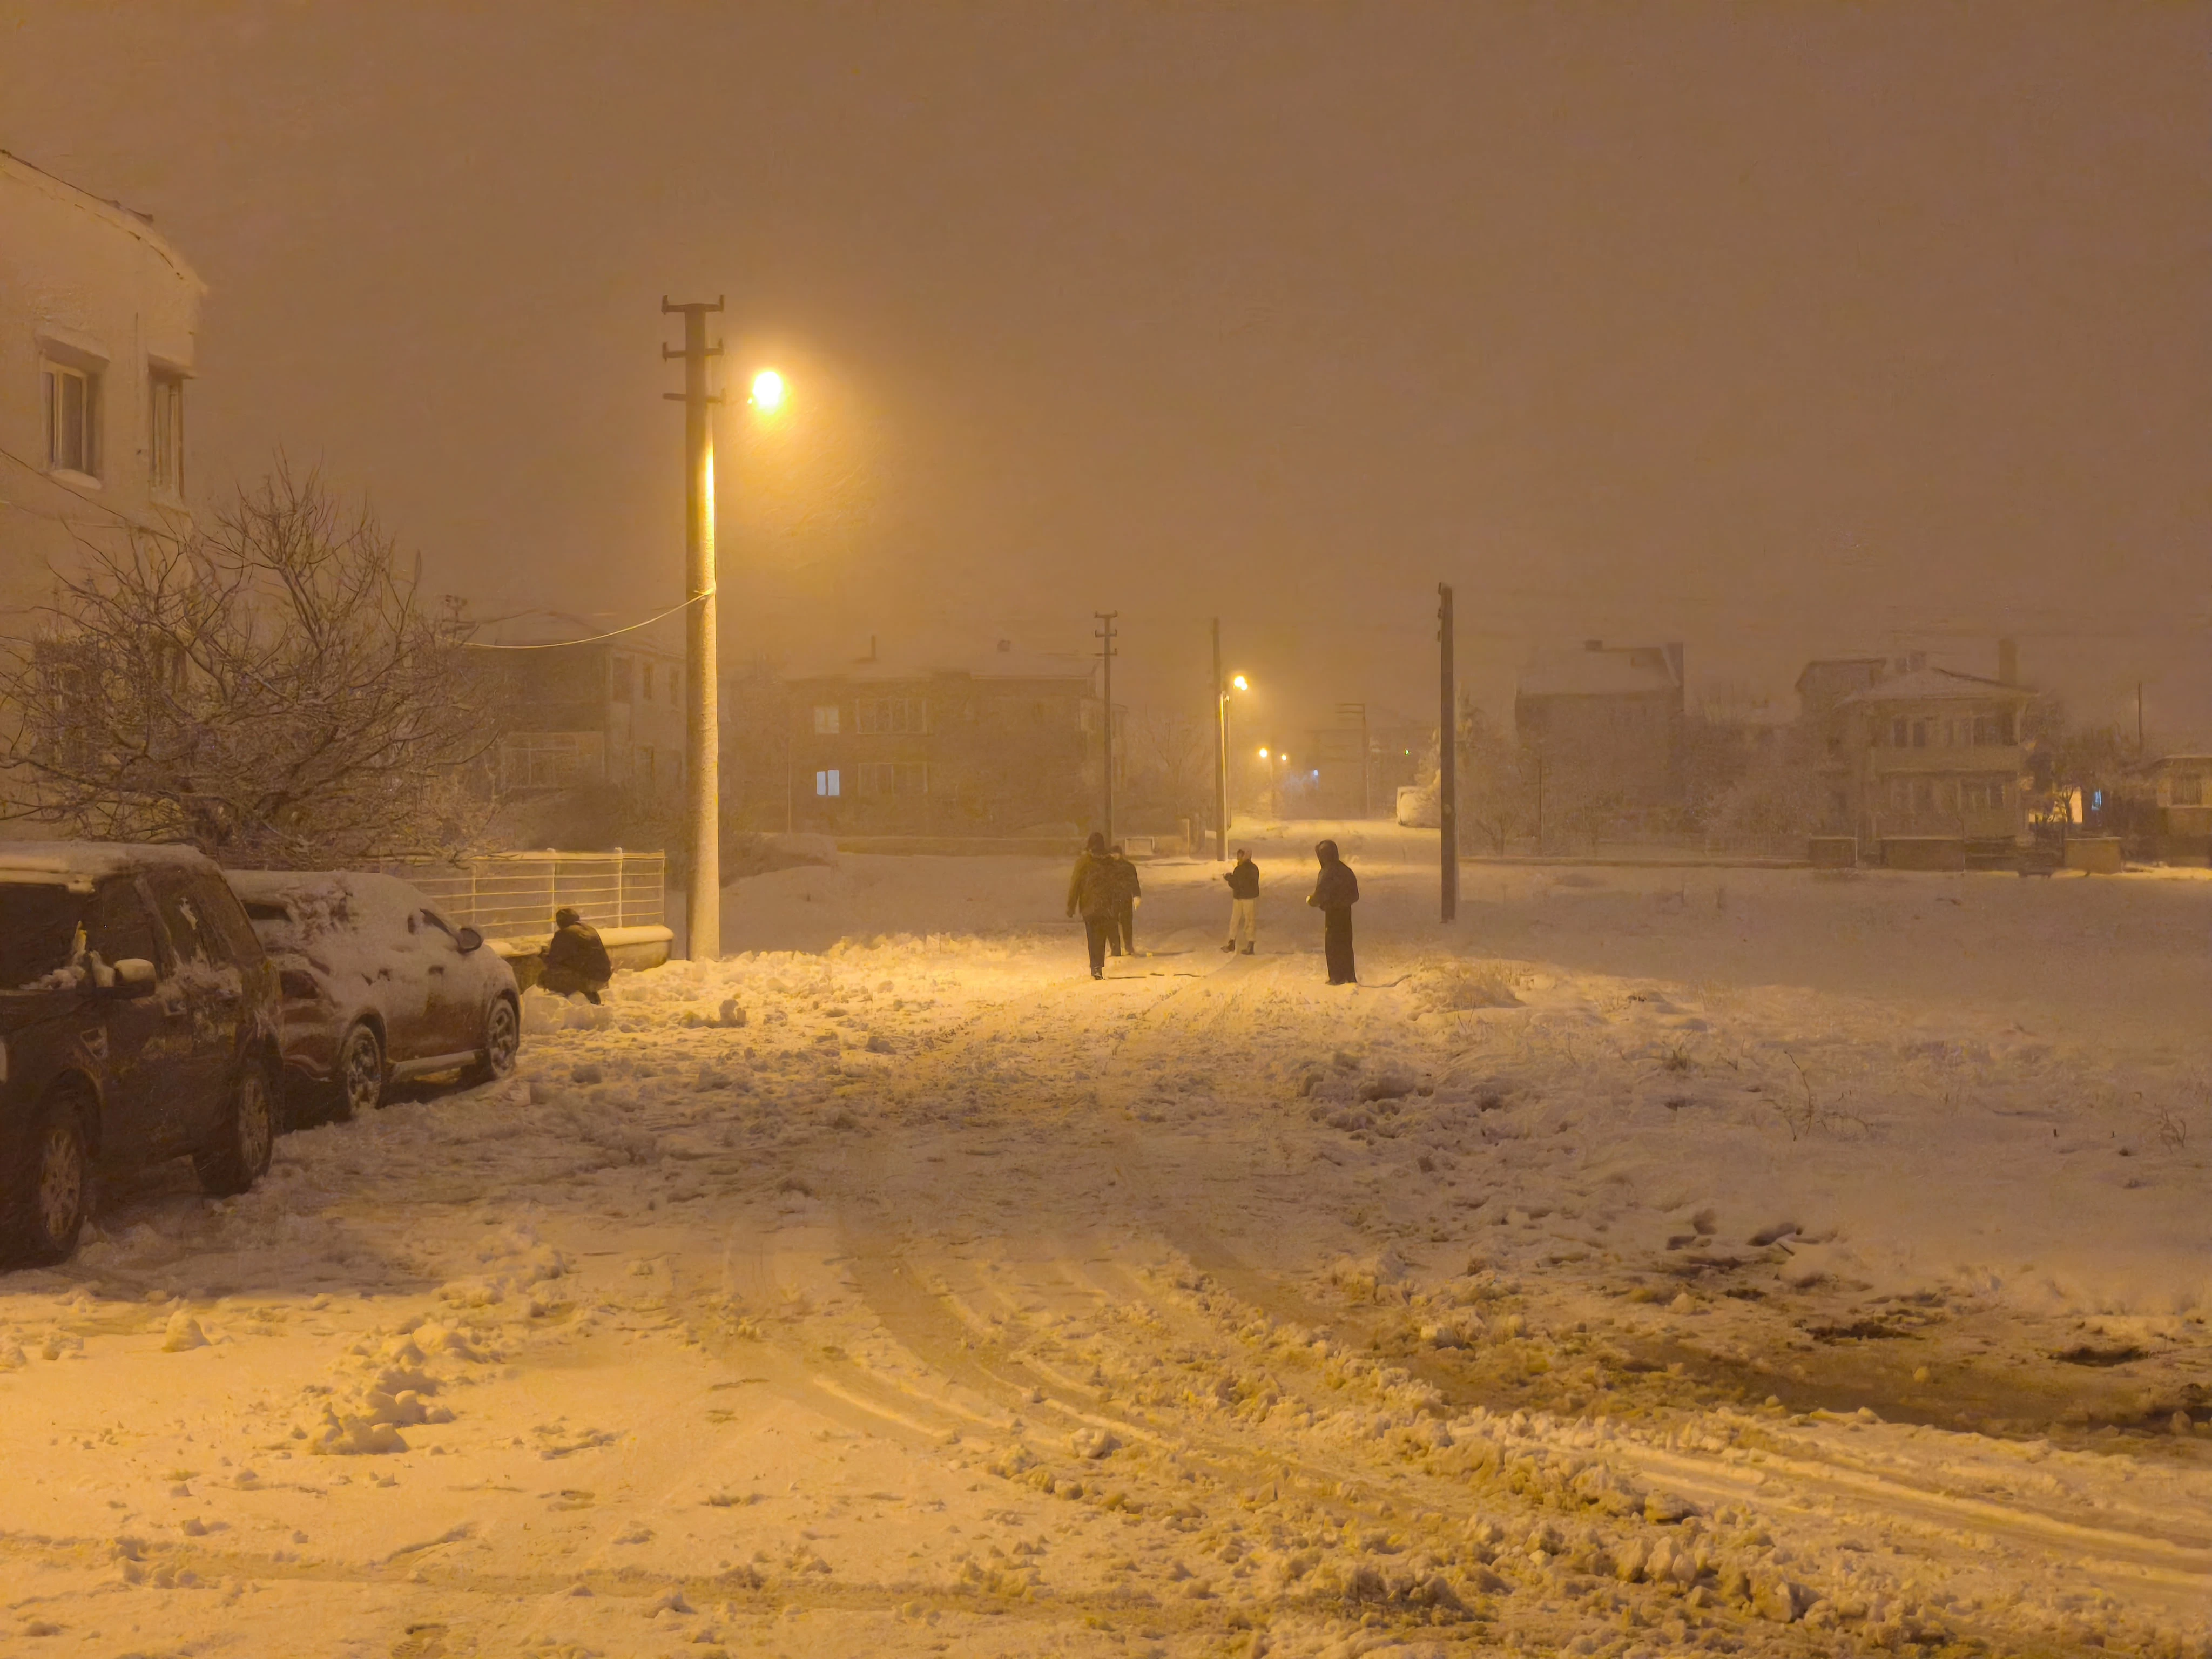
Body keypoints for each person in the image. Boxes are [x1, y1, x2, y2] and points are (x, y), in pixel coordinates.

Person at [1065, 832, 1120, 980]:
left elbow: (1075, 884)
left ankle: (1095, 966)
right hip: (1105, 905)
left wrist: (1071, 906)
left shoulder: (1083, 862)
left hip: (1089, 905)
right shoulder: (1110, 863)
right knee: (1101, 936)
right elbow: (1116, 885)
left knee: (1092, 936)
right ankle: (1098, 967)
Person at [1306, 839, 1359, 984]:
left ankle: (1336, 976)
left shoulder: (1326, 873)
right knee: (1346, 943)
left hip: (1332, 914)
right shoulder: (1346, 871)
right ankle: (1349, 975)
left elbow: (1320, 894)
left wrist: (1312, 901)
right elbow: (1355, 895)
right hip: (1346, 913)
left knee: (1333, 944)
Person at [540, 906, 613, 1003]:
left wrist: (543, 955)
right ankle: (588, 995)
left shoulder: (563, 934)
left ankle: (563, 1004)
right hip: (604, 977)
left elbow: (553, 960)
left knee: (547, 976)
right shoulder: (590, 930)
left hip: (589, 980)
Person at [1222, 847, 1259, 954]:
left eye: (1240, 856)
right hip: (1250, 898)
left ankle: (1232, 943)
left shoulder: (1240, 869)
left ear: (1244, 857)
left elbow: (1236, 883)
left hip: (1240, 898)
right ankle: (1250, 945)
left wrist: (1229, 878)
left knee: (1235, 920)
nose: (1238, 858)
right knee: (1250, 921)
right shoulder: (1254, 868)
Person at [1108, 843, 1142, 956]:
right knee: (1113, 923)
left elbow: (1134, 882)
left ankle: (1126, 946)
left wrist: (1137, 896)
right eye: (1112, 854)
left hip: (1123, 898)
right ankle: (1117, 948)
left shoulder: (1128, 867)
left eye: (1116, 854)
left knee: (1125, 923)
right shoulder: (1108, 867)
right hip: (1113, 898)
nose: (1114, 856)